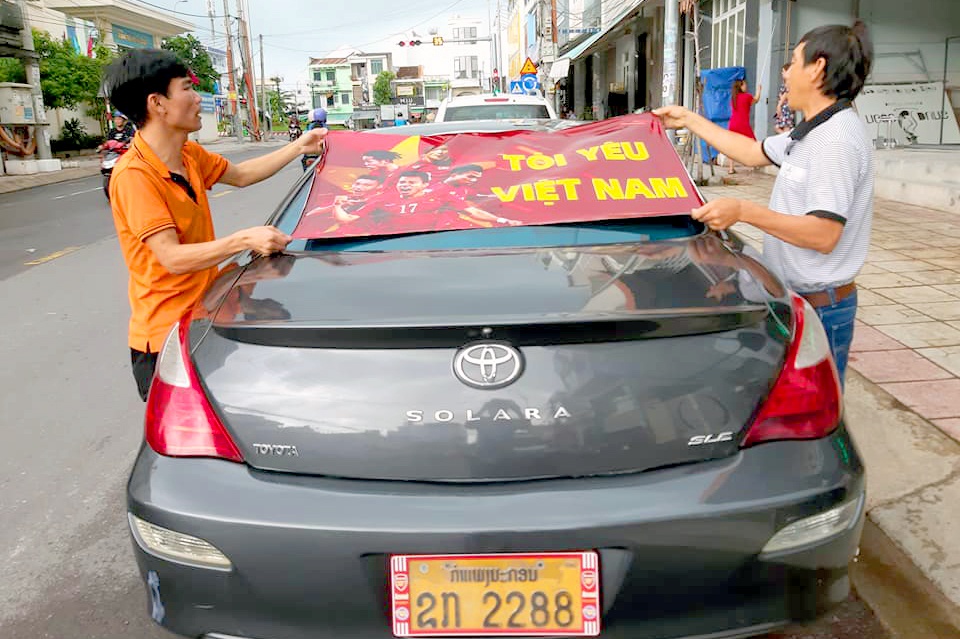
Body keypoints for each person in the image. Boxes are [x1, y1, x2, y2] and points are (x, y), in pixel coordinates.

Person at [654, 20, 874, 386]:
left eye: (793, 62)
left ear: (817, 68)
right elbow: (751, 152)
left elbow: (824, 235)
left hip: (822, 307)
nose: (785, 73)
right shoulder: (813, 130)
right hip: (795, 297)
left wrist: (744, 211)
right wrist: (689, 119)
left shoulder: (836, 141)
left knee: (811, 407)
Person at [103, 48, 327, 400]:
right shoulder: (135, 175)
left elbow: (241, 174)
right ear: (157, 103)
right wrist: (243, 240)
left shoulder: (188, 154)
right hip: (166, 339)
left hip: (207, 317)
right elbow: (172, 258)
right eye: (186, 88)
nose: (197, 98)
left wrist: (299, 147)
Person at [726, 78, 760, 174]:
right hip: (743, 124)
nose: (746, 86)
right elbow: (756, 100)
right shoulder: (747, 96)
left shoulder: (734, 98)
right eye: (744, 84)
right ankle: (752, 165)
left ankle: (731, 168)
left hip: (733, 123)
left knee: (732, 146)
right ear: (740, 86)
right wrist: (759, 90)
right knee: (752, 143)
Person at [773, 64, 796, 134]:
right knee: (777, 127)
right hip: (783, 108)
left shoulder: (790, 83)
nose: (782, 73)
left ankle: (787, 138)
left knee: (786, 128)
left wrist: (779, 105)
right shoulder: (785, 82)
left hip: (787, 108)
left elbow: (786, 94)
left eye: (783, 71)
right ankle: (786, 137)